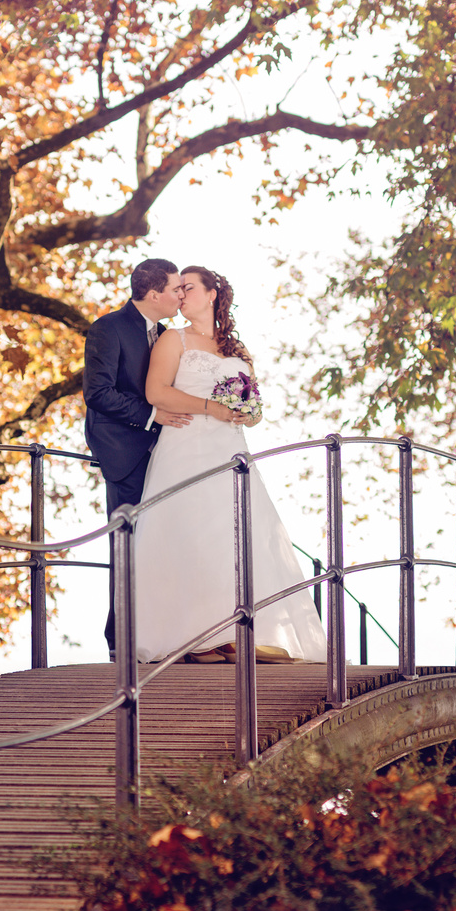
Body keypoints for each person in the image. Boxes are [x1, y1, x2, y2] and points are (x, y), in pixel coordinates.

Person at [131, 265, 326, 664]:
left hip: (231, 451)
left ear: (212, 294)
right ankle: (197, 640)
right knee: (195, 534)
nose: (181, 296)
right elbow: (157, 393)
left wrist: (245, 413)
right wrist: (211, 408)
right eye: (177, 289)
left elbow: (254, 411)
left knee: (236, 537)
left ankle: (237, 634)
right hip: (187, 446)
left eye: (188, 288)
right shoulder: (173, 339)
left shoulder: (236, 350)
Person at [82, 258, 192, 655]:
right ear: (153, 293)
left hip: (164, 453)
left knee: (161, 544)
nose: (181, 294)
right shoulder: (108, 328)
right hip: (123, 453)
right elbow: (98, 393)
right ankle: (121, 644)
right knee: (127, 546)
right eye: (177, 288)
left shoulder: (165, 335)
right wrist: (151, 415)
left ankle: (162, 635)